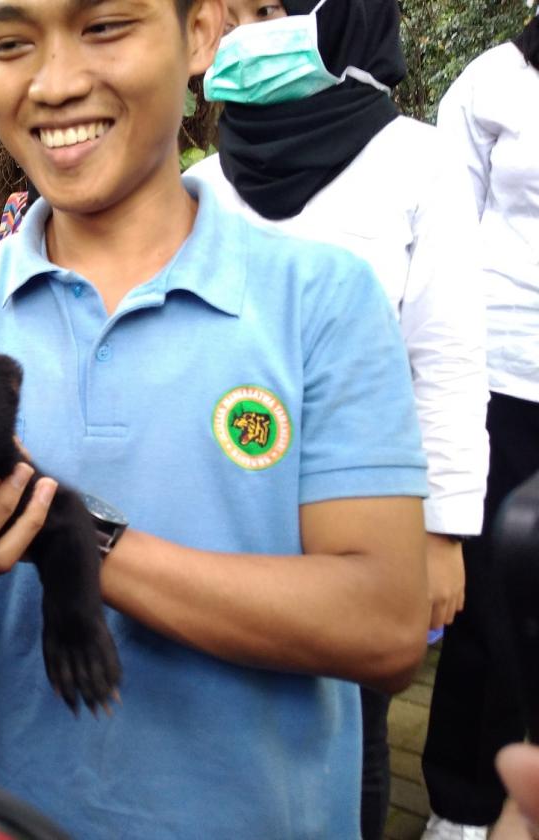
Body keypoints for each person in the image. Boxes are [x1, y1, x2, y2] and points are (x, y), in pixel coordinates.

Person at [0, 0, 431, 836]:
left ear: (203, 35)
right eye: (12, 42)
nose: (57, 82)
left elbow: (387, 627)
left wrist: (75, 533)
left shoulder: (320, 300)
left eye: (106, 26)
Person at [184, 1, 490, 837]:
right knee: (228, 721)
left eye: (274, 11)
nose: (250, 32)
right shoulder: (198, 184)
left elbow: (450, 362)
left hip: (363, 522)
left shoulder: (421, 165)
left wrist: (444, 535)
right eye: (235, 13)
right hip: (226, 517)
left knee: (349, 736)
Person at [419, 12, 539, 839]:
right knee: (488, 595)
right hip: (507, 374)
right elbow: (445, 239)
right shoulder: (494, 81)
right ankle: (459, 800)